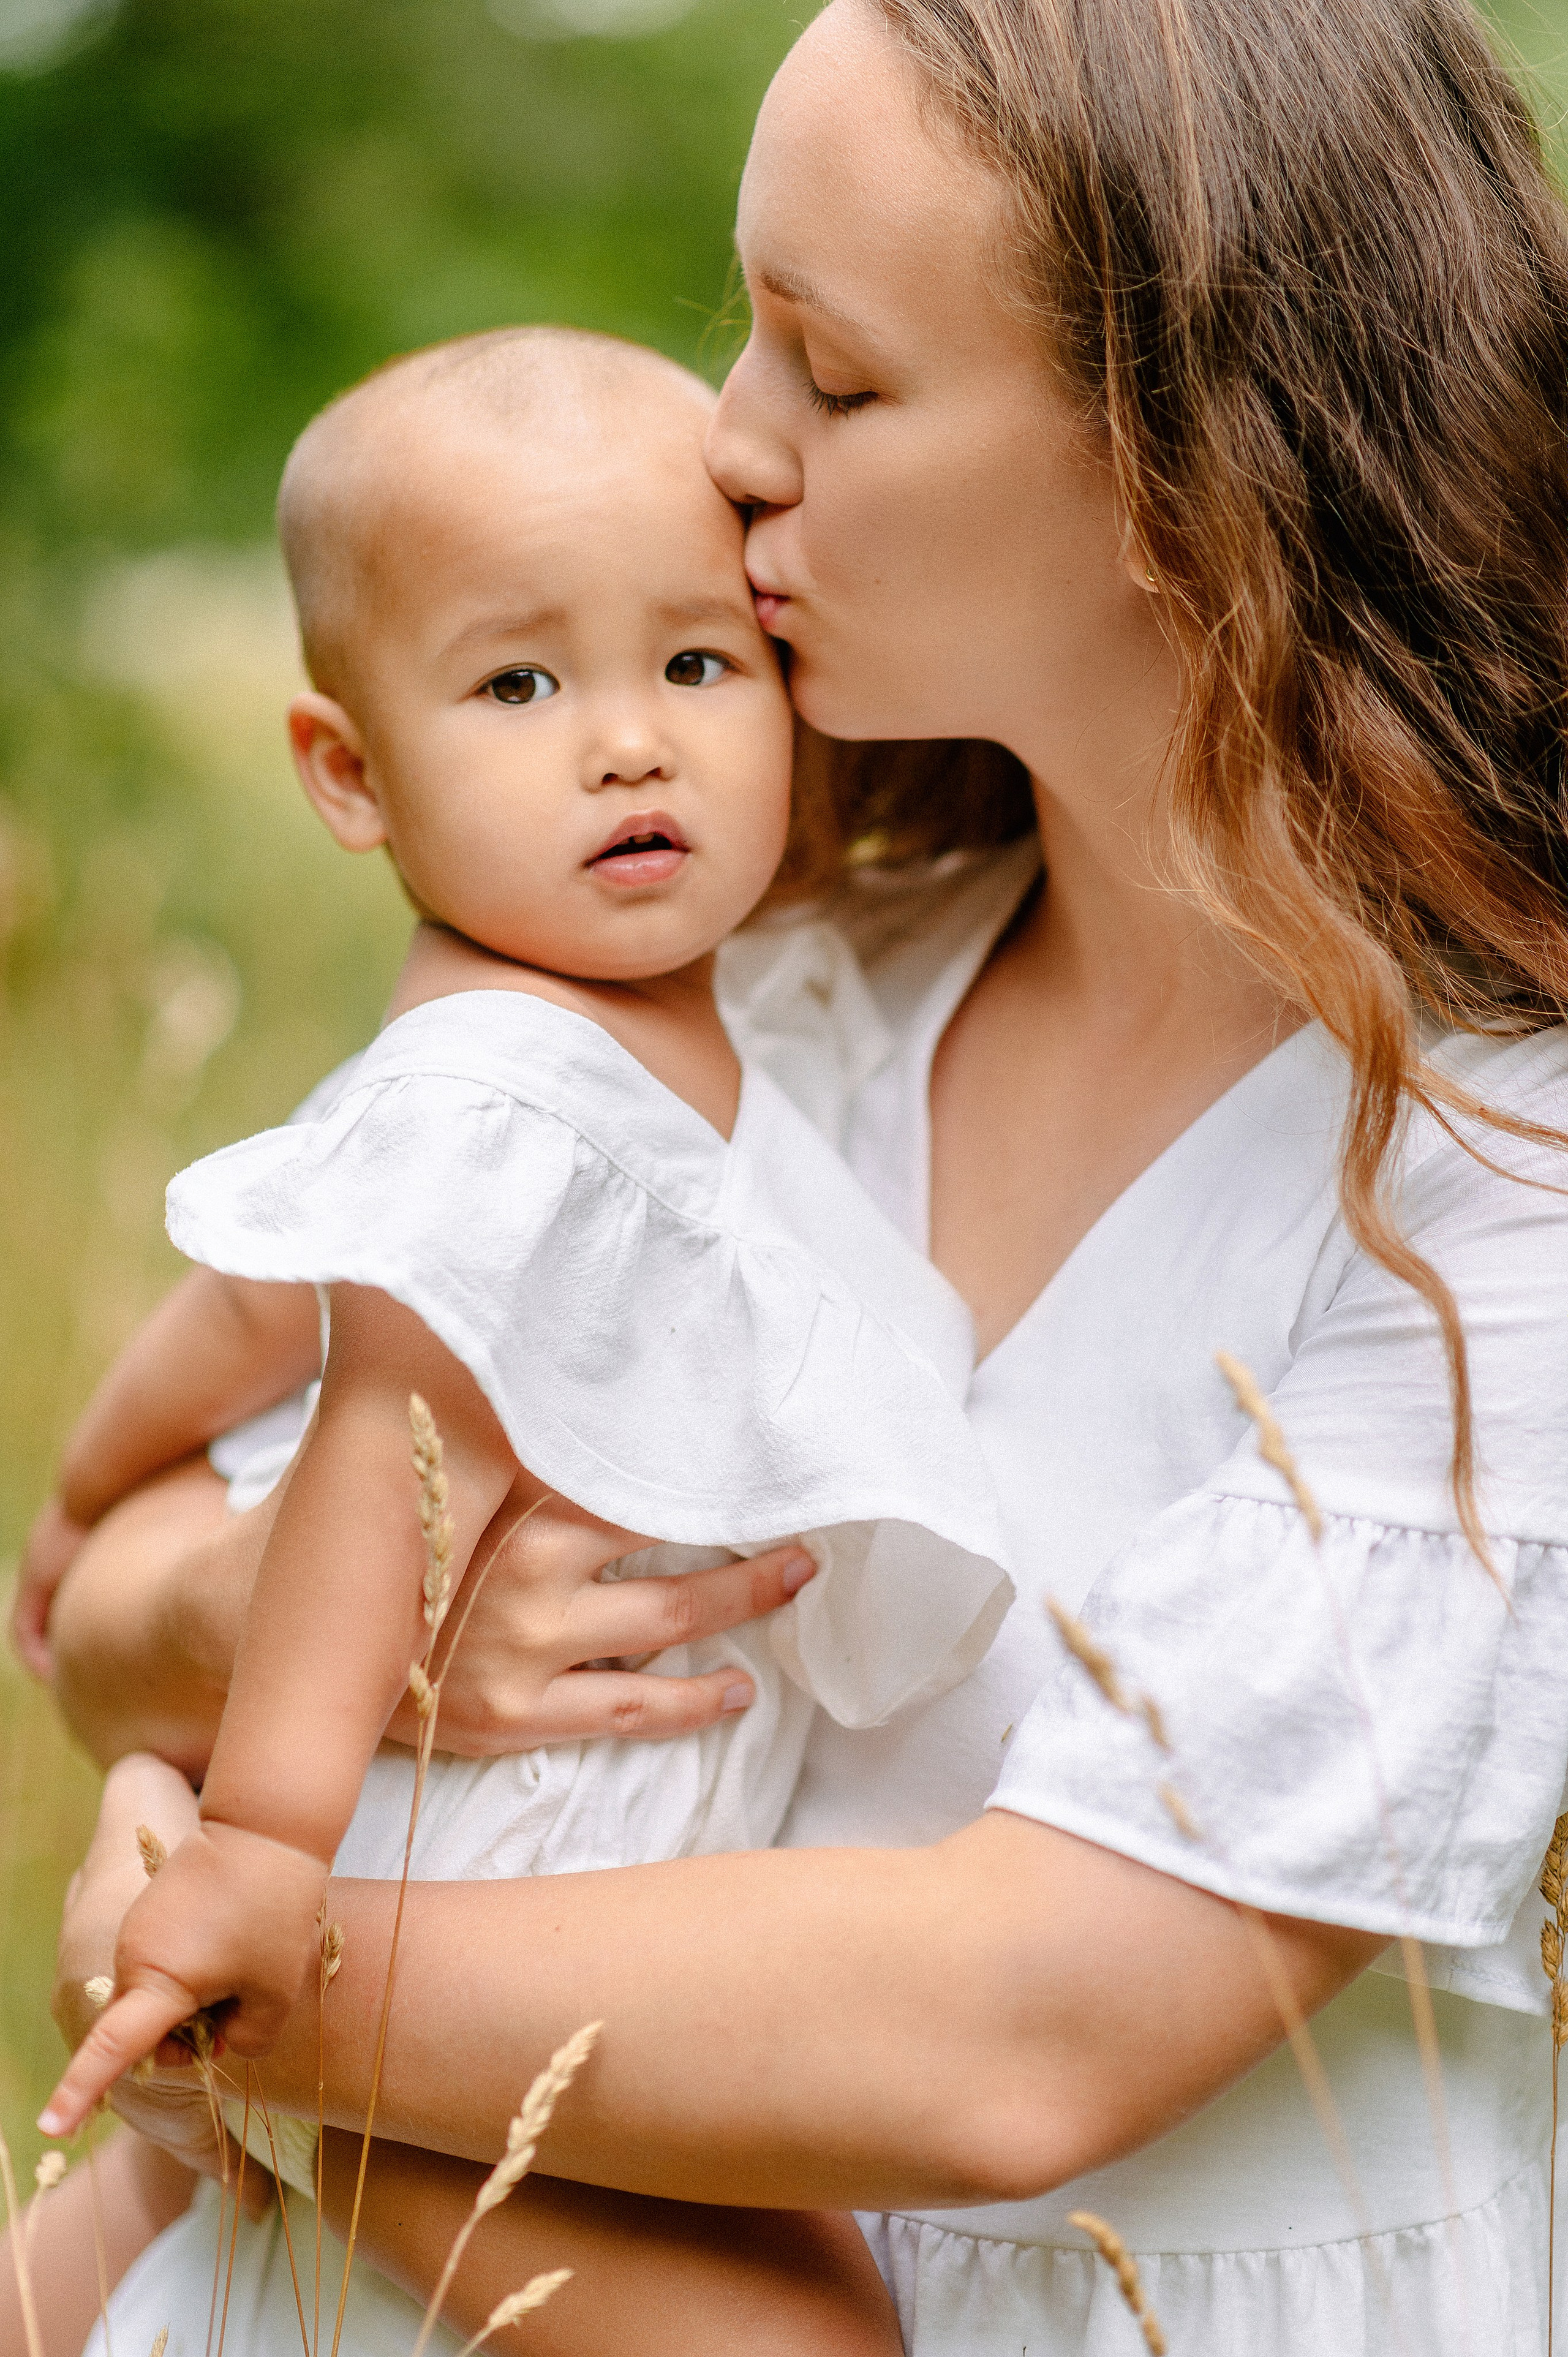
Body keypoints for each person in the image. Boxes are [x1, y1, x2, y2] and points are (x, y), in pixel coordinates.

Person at [20, 0, 1568, 2347]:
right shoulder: (757, 992)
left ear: (1184, 473)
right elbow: (116, 1571)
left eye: (831, 378)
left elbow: (1020, 2026)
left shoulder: (1495, 1173)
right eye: (743, 320)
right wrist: (236, 1654)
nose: (725, 437)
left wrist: (228, 1975)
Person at [12, 322, 1030, 2353]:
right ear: (348, 773)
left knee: (209, 2262)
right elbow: (391, 1445)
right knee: (808, 2317)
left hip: (527, 1841)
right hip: (503, 1850)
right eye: (519, 683)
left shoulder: (548, 1048)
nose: (629, 744)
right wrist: (272, 1847)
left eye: (693, 665)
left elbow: (254, 1303)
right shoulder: (514, 1087)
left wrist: (86, 1497)